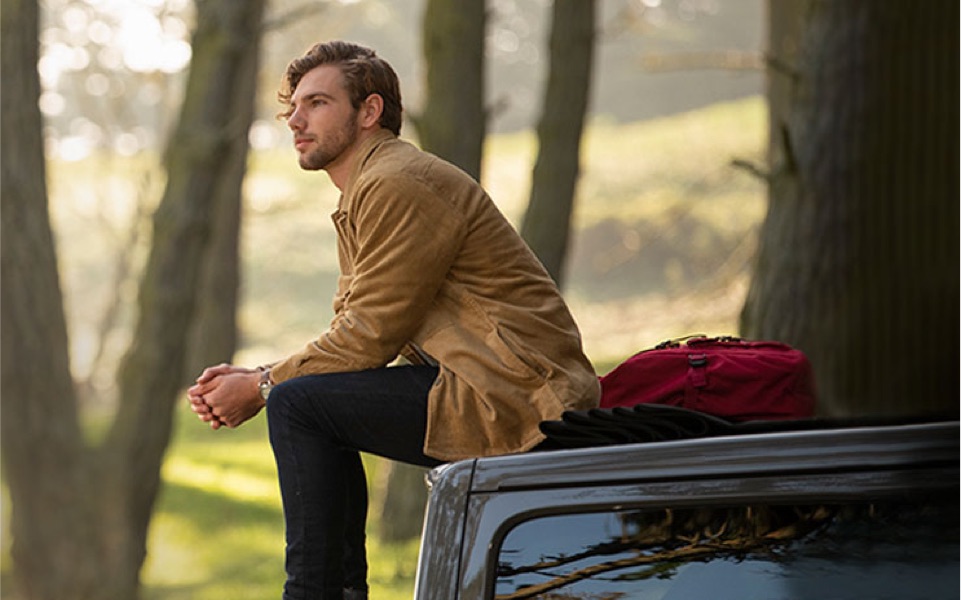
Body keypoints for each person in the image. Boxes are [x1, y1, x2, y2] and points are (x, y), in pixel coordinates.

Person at [187, 40, 599, 600]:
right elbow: (353, 329)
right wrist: (259, 374)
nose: (295, 121)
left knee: (298, 404)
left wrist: (260, 386)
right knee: (304, 399)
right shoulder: (365, 193)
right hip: (486, 385)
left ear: (370, 111)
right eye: (292, 109)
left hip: (518, 394)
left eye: (316, 104)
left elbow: (368, 338)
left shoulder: (398, 183)